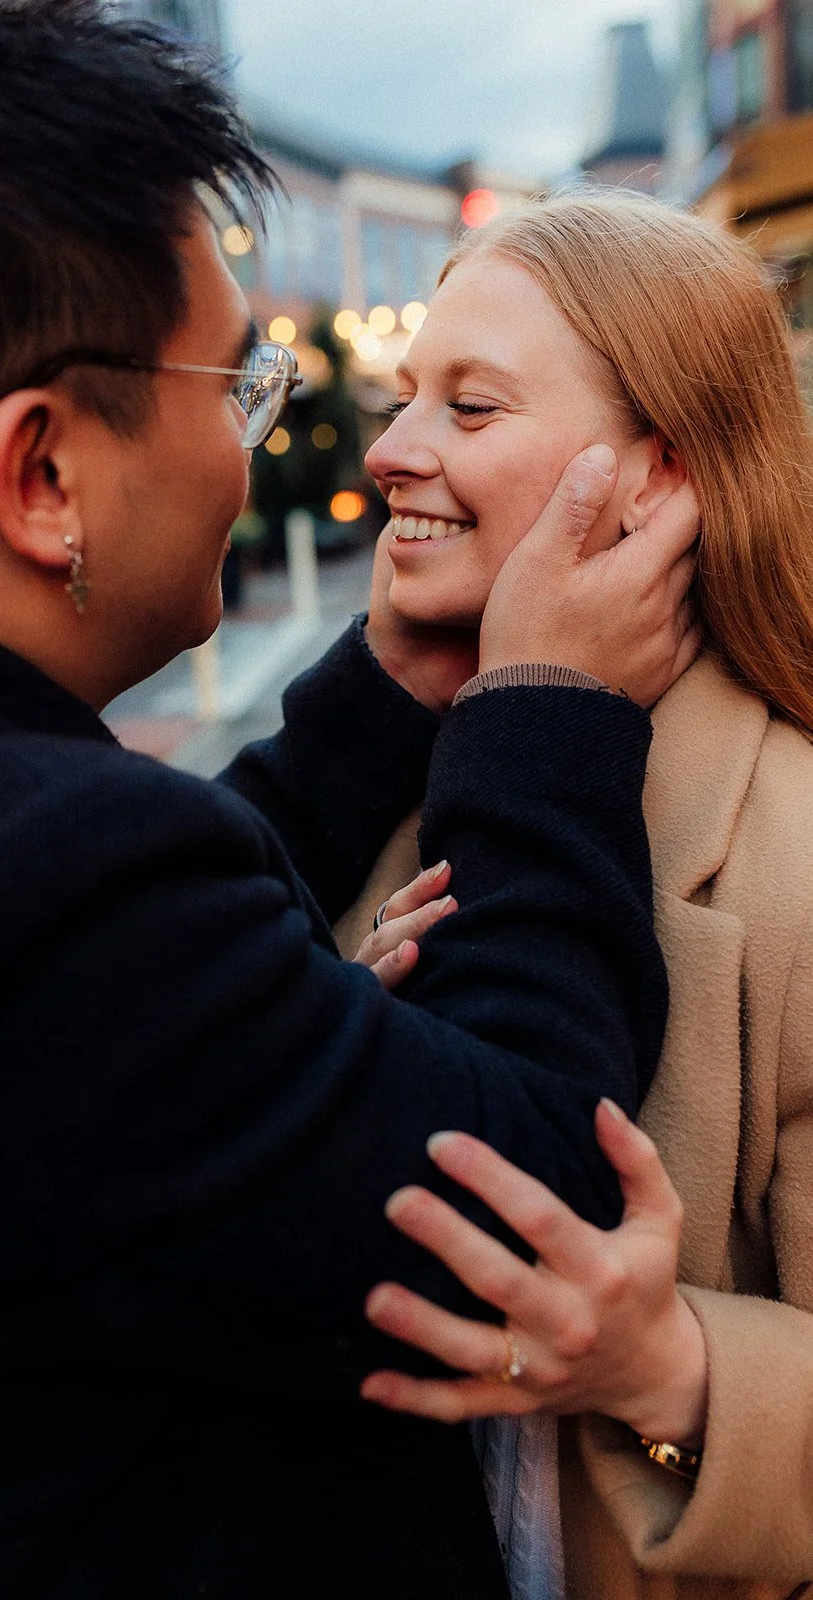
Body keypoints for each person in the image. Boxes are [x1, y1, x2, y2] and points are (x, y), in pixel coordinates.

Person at [0, 9, 699, 1595]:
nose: (287, 440)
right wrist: (550, 715)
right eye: (229, 377)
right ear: (40, 471)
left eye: (470, 410)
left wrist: (383, 691)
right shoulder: (26, 895)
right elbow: (531, 1204)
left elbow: (130, 907)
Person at [334, 192, 813, 1600]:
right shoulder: (416, 782)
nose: (388, 452)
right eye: (401, 393)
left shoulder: (792, 854)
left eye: (468, 408)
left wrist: (670, 1368)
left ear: (657, 480)